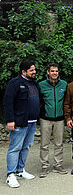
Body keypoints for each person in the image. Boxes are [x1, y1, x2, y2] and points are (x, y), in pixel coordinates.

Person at [3, 60, 40, 188]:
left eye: (34, 69)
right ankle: (11, 175)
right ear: (23, 71)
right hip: (19, 122)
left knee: (26, 147)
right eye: (31, 70)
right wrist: (10, 120)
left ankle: (20, 170)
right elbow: (8, 102)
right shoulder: (15, 83)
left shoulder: (34, 83)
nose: (34, 72)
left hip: (32, 122)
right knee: (15, 148)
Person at [39, 63, 68, 178]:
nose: (54, 73)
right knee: (44, 144)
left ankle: (57, 165)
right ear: (48, 72)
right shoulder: (41, 85)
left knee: (59, 144)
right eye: (52, 71)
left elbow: (67, 101)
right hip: (45, 119)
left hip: (59, 119)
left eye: (56, 71)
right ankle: (45, 166)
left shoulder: (64, 84)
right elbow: (39, 101)